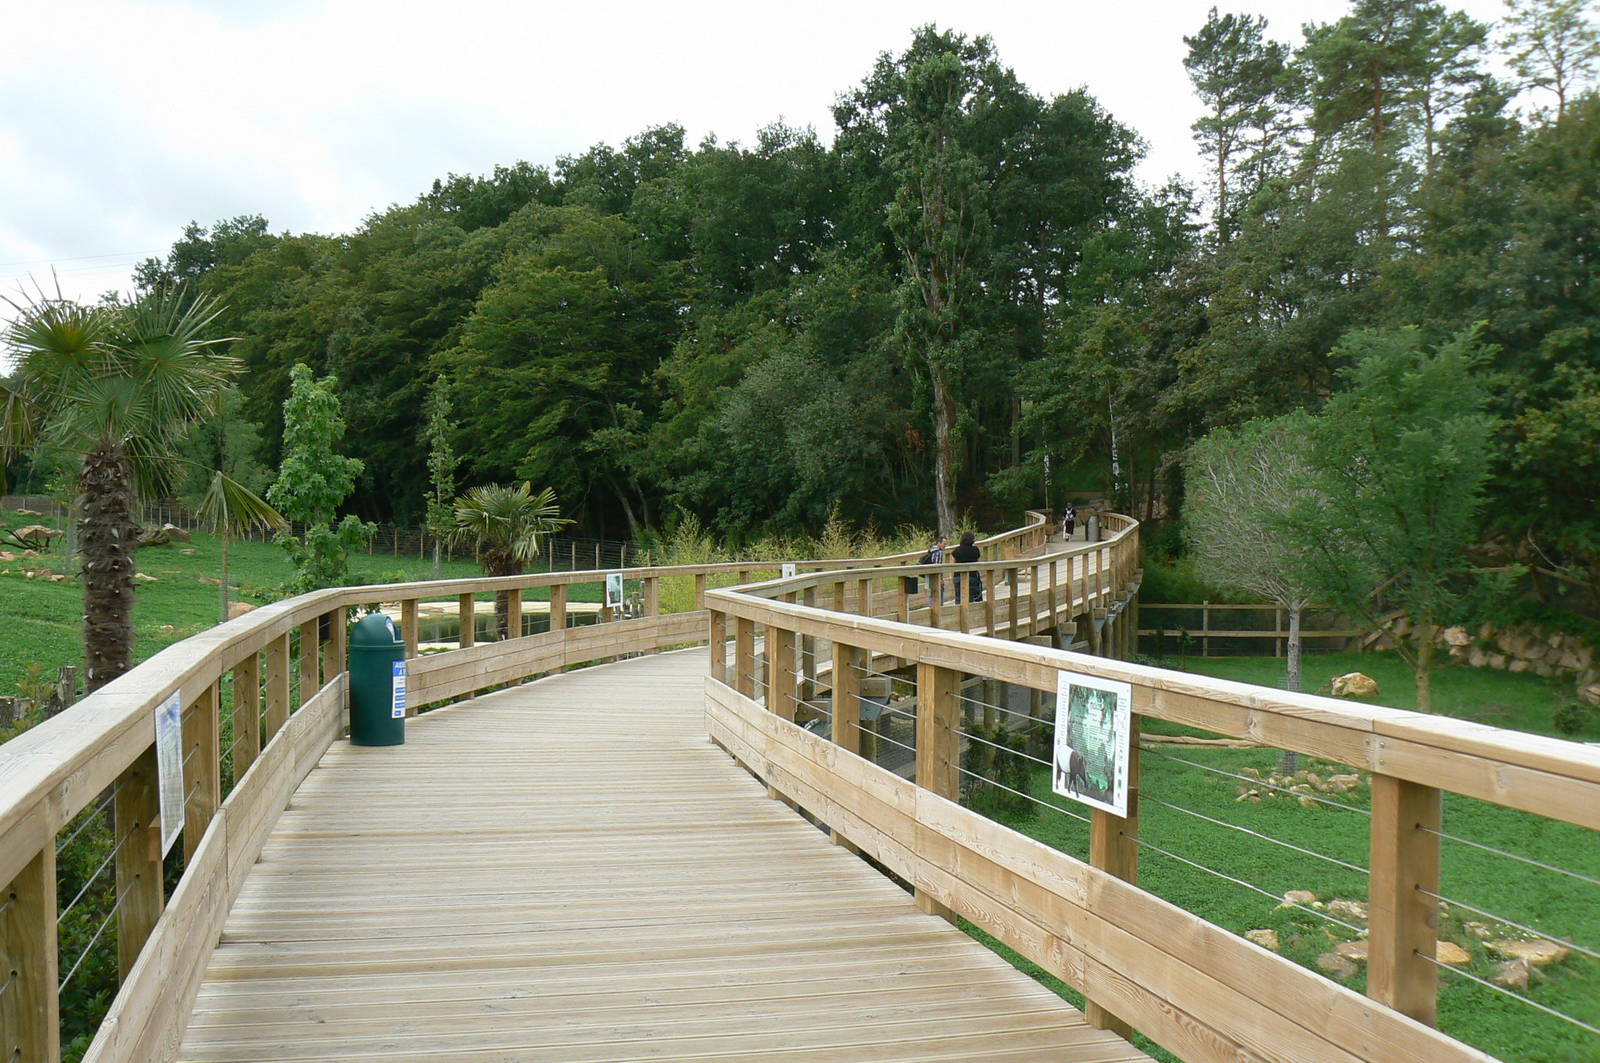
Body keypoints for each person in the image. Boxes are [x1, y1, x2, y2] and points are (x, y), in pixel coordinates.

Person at [951, 531, 982, 602]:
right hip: (972, 576)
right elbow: (977, 561)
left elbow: (952, 564)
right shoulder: (975, 550)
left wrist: (952, 576)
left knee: (959, 598)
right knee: (971, 597)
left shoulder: (956, 550)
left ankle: (959, 611)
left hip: (958, 576)